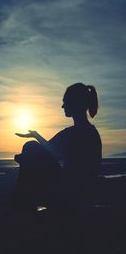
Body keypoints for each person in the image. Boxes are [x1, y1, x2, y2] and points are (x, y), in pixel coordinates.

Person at [13, 83, 102, 212]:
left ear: (75, 103)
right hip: (81, 194)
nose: (63, 106)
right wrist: (36, 136)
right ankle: (22, 206)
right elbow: (50, 149)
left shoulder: (76, 132)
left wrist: (27, 157)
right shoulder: (89, 131)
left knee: (30, 147)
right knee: (31, 148)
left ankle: (22, 208)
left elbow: (49, 150)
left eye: (65, 102)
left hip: (71, 195)